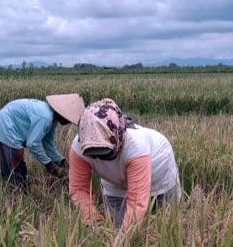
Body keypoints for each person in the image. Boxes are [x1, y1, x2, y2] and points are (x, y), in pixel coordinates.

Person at [68, 98, 181, 231]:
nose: (101, 159)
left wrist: (124, 240)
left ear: (118, 135)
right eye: (95, 155)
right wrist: (93, 221)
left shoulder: (136, 147)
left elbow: (137, 202)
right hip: (114, 182)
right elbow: (79, 189)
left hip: (158, 171)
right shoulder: (79, 146)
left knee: (168, 222)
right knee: (117, 225)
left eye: (105, 153)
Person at [0, 94, 84, 189]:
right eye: (69, 119)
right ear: (63, 114)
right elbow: (33, 143)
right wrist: (49, 165)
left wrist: (61, 161)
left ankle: (9, 188)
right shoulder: (45, 117)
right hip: (8, 127)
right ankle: (18, 192)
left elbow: (48, 143)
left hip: (4, 122)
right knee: (16, 165)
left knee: (9, 164)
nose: (69, 122)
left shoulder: (52, 118)